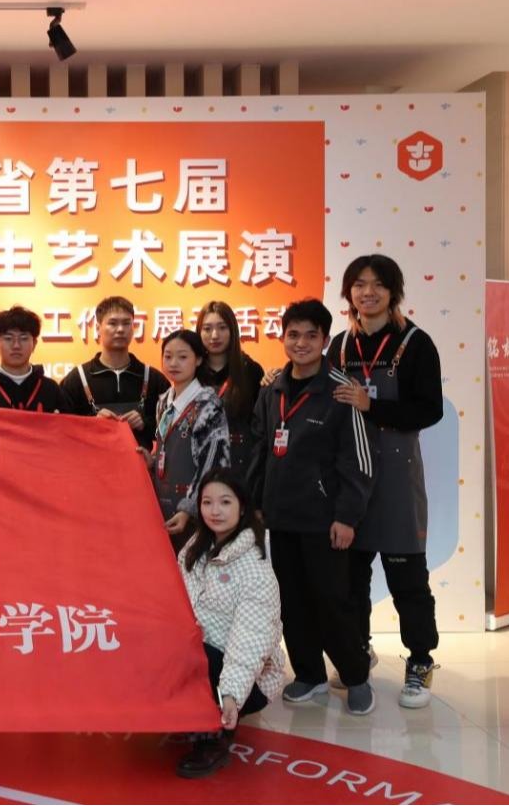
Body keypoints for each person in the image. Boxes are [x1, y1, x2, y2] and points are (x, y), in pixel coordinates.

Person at [247, 298, 377, 715]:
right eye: (293, 335)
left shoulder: (340, 391)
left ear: (324, 340)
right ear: (283, 337)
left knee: (333, 602)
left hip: (325, 521)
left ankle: (355, 676)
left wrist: (347, 517)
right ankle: (309, 675)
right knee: (292, 601)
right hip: (281, 518)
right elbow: (260, 449)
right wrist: (258, 504)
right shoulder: (272, 390)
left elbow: (358, 461)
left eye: (310, 335)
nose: (301, 343)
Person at [328, 254, 444, 708]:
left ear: (393, 292)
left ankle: (420, 661)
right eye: (359, 284)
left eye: (378, 284)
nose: (368, 293)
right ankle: (359, 651)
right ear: (348, 293)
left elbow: (429, 410)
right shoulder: (339, 347)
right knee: (350, 581)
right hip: (351, 481)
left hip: (396, 482)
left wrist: (371, 406)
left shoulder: (415, 344)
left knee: (408, 581)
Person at [175, 468, 285, 779]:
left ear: (242, 507)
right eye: (207, 502)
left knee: (198, 656)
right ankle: (188, 712)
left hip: (247, 677)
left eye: (225, 502)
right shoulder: (194, 548)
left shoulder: (255, 569)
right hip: (201, 654)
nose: (215, 511)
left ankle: (215, 739)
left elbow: (249, 640)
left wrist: (231, 696)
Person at [150, 330, 230, 552]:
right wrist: (151, 459)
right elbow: (166, 449)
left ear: (199, 360)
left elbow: (212, 464)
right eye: (168, 356)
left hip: (196, 514)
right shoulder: (163, 402)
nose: (173, 363)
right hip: (162, 508)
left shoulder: (208, 405)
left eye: (183, 357)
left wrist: (189, 508)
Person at [59, 296, 169, 444]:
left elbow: (173, 430)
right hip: (90, 458)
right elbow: (62, 429)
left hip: (140, 459)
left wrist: (145, 423)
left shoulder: (154, 379)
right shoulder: (77, 379)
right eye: (112, 323)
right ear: (98, 328)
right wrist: (92, 422)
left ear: (133, 328)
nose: (120, 329)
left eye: (126, 323)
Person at [196, 301, 266, 477]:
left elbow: (259, 427)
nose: (214, 335)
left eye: (222, 327)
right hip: (198, 467)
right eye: (207, 329)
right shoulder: (192, 371)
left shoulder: (250, 370)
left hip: (239, 468)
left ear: (232, 330)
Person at [0, 306, 66, 412]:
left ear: (34, 343)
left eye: (24, 338)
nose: (16, 345)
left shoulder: (50, 390)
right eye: (8, 338)